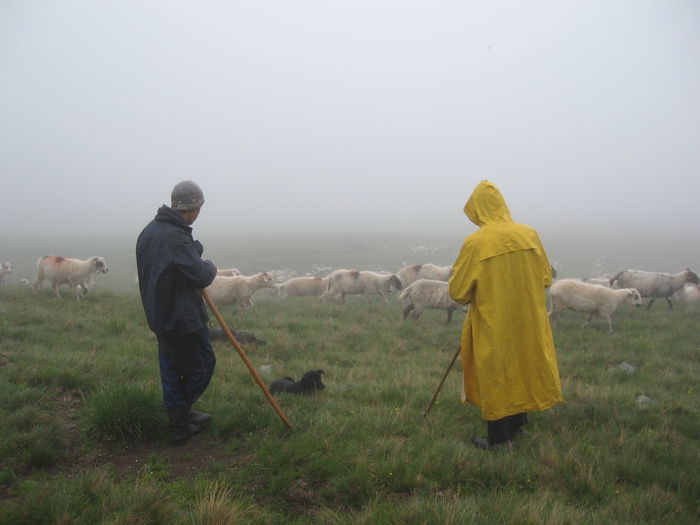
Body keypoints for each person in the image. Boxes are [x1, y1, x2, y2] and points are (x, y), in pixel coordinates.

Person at [448, 180, 562, 450]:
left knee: (497, 370)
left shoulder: (476, 242)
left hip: (494, 319)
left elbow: (459, 291)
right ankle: (518, 423)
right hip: (528, 318)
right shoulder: (529, 235)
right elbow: (546, 277)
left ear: (477, 209)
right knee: (523, 362)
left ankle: (499, 440)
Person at [136, 180, 218, 445]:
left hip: (159, 315)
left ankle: (179, 424)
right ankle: (181, 414)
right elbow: (202, 274)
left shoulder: (150, 231)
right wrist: (209, 263)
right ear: (195, 208)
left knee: (171, 367)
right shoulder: (175, 237)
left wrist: (192, 249)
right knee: (202, 365)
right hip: (182, 317)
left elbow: (172, 263)